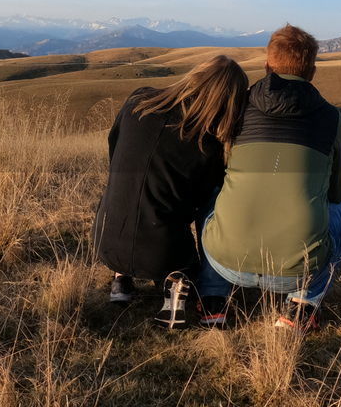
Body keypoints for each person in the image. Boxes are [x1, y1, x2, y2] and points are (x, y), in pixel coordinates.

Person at [198, 24, 341, 332]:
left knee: (214, 196)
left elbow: (221, 169)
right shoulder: (331, 118)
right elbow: (337, 195)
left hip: (225, 261)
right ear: (311, 70)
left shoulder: (238, 106)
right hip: (295, 272)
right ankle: (301, 306)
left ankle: (213, 300)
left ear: (267, 65)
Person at [92, 55, 248, 328]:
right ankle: (175, 278)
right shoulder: (207, 144)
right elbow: (198, 203)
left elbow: (114, 146)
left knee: (127, 191)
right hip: (161, 251)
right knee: (208, 205)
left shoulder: (138, 100)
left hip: (105, 238)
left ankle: (121, 281)